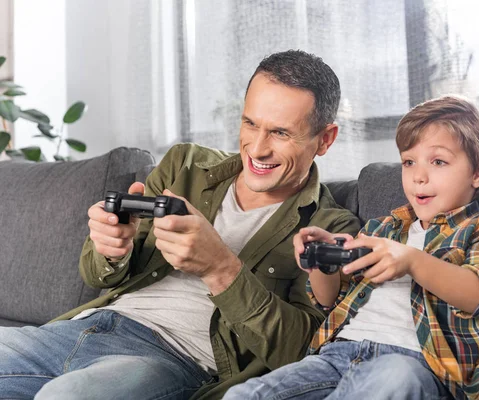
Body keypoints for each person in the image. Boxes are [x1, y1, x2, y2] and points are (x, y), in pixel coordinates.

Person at [0, 50, 360, 400]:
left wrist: (220, 267)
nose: (257, 148)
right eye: (250, 123)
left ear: (325, 139)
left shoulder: (331, 226)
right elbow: (99, 277)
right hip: (87, 325)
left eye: (280, 133)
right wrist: (111, 249)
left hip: (173, 358)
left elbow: (303, 351)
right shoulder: (185, 165)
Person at [224, 95, 479, 400]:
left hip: (416, 365)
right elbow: (328, 299)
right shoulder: (383, 229)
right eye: (409, 162)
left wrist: (411, 260)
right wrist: (323, 262)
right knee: (243, 395)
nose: (418, 176)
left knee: (395, 378)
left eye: (438, 161)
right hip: (336, 356)